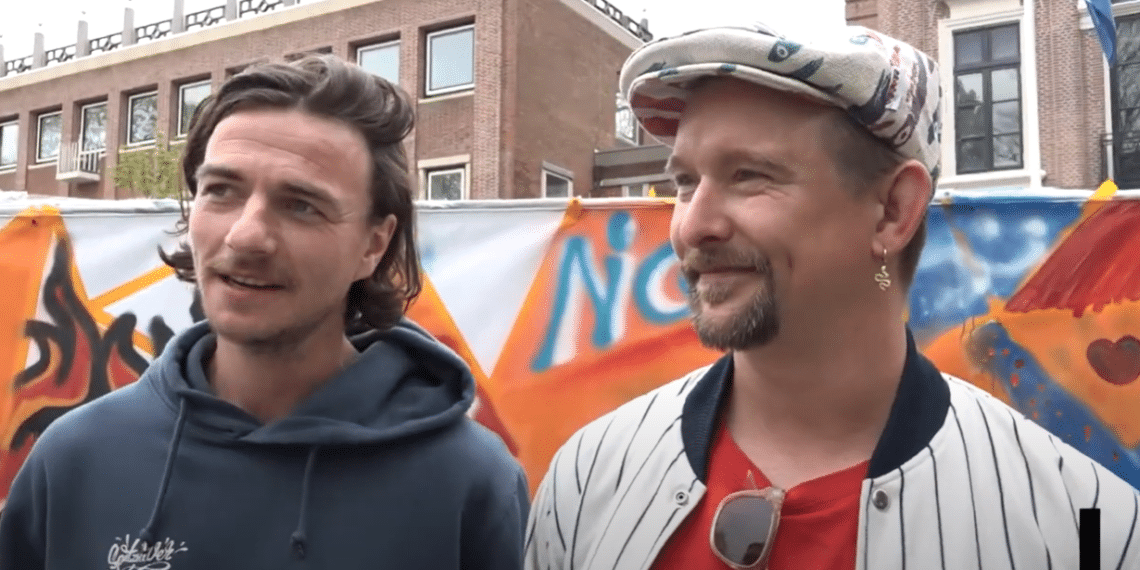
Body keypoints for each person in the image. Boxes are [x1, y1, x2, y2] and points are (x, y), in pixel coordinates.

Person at [524, 23, 1140, 570]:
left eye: (748, 175)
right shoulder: (586, 481)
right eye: (686, 182)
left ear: (892, 211)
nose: (692, 226)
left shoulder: (1089, 531)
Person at [0, 54, 529, 569]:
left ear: (374, 244)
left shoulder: (468, 483)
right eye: (221, 191)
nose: (246, 235)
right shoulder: (76, 459)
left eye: (301, 205)